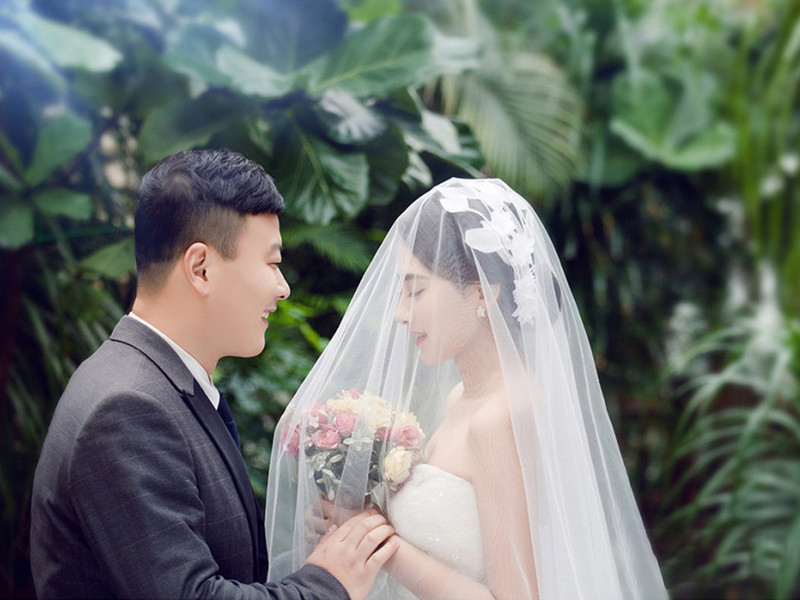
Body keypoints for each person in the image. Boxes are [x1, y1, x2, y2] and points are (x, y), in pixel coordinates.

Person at [266, 178, 669, 599]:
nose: (400, 314)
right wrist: (353, 527)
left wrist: (378, 542)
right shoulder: (462, 398)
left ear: (482, 293)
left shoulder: (499, 419)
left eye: (415, 291)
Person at [30, 148, 398, 600]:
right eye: (272, 263)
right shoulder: (127, 408)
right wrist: (328, 584)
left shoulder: (150, 381)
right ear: (200, 268)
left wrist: (322, 554)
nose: (282, 287)